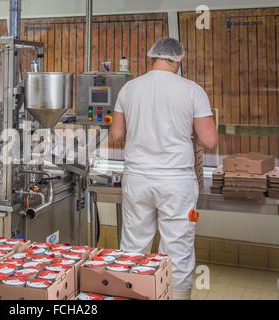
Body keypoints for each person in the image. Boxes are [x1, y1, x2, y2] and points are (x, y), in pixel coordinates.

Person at [110, 37, 218, 300]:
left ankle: (131, 294)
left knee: (134, 244)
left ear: (152, 57)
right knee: (178, 247)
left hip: (137, 180)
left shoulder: (129, 89)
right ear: (178, 60)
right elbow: (210, 140)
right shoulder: (192, 90)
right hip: (176, 183)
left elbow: (116, 135)